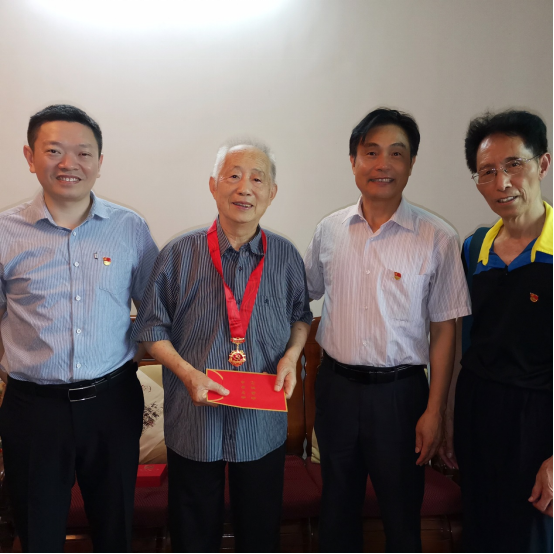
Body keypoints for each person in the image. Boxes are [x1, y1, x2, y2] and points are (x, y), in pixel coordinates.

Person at [132, 139, 312, 553]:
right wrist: (186, 373)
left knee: (260, 534)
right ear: (213, 185)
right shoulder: (179, 253)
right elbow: (150, 328)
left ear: (272, 193)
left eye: (257, 179)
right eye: (233, 176)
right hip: (194, 421)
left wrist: (291, 355)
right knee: (193, 536)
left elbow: (301, 316)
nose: (244, 188)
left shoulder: (285, 255)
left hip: (260, 422)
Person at [304, 108, 471, 553]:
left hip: (401, 397)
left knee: (401, 516)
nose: (383, 164)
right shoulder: (329, 230)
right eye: (371, 152)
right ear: (353, 161)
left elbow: (445, 329)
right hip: (336, 389)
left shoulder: (438, 237)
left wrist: (435, 410)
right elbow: (301, 299)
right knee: (337, 509)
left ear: (411, 163)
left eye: (396, 154)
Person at [0, 104, 159, 553]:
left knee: (115, 527)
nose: (69, 163)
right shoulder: (5, 233)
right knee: (38, 533)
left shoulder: (129, 228)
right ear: (30, 157)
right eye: (54, 150)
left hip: (113, 402)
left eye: (83, 153)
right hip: (34, 410)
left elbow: (154, 310)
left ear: (99, 162)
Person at [442, 110, 553, 553]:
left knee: (533, 537)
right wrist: (450, 415)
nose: (502, 182)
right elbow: (461, 340)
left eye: (513, 165)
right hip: (478, 411)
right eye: (487, 171)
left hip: (540, 418)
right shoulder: (474, 249)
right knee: (482, 530)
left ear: (543, 163)